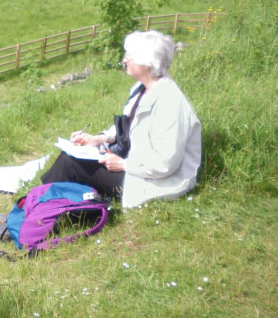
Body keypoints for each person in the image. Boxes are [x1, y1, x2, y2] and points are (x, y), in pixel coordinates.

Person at [39, 30, 202, 209]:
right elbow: (129, 126)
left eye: (129, 56)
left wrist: (123, 164)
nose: (125, 60)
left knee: (70, 163)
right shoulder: (142, 89)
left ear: (147, 63)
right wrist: (98, 139)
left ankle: (35, 212)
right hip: (135, 166)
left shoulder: (169, 102)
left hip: (156, 182)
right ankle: (40, 208)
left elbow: (165, 164)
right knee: (70, 157)